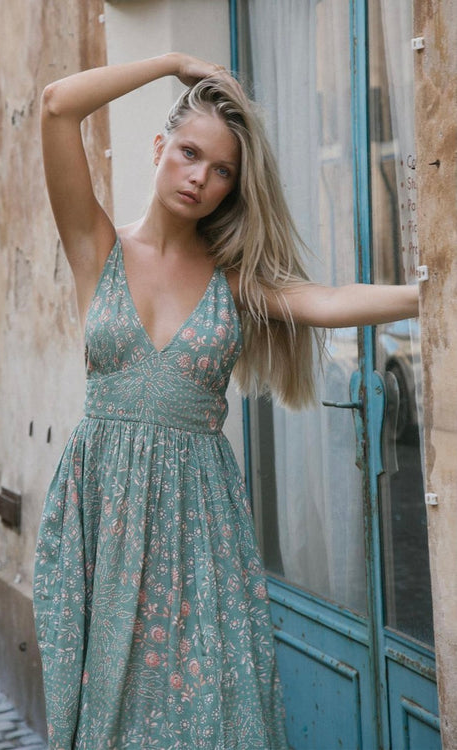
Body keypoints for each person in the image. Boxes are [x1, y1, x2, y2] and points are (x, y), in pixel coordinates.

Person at [33, 53, 419, 750]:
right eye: (188, 154)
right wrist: (172, 64)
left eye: (221, 171)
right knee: (108, 722)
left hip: (199, 527)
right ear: (159, 148)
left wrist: (432, 294)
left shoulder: (233, 281)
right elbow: (58, 105)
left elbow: (327, 302)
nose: (199, 179)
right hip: (103, 522)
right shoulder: (97, 249)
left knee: (212, 714)